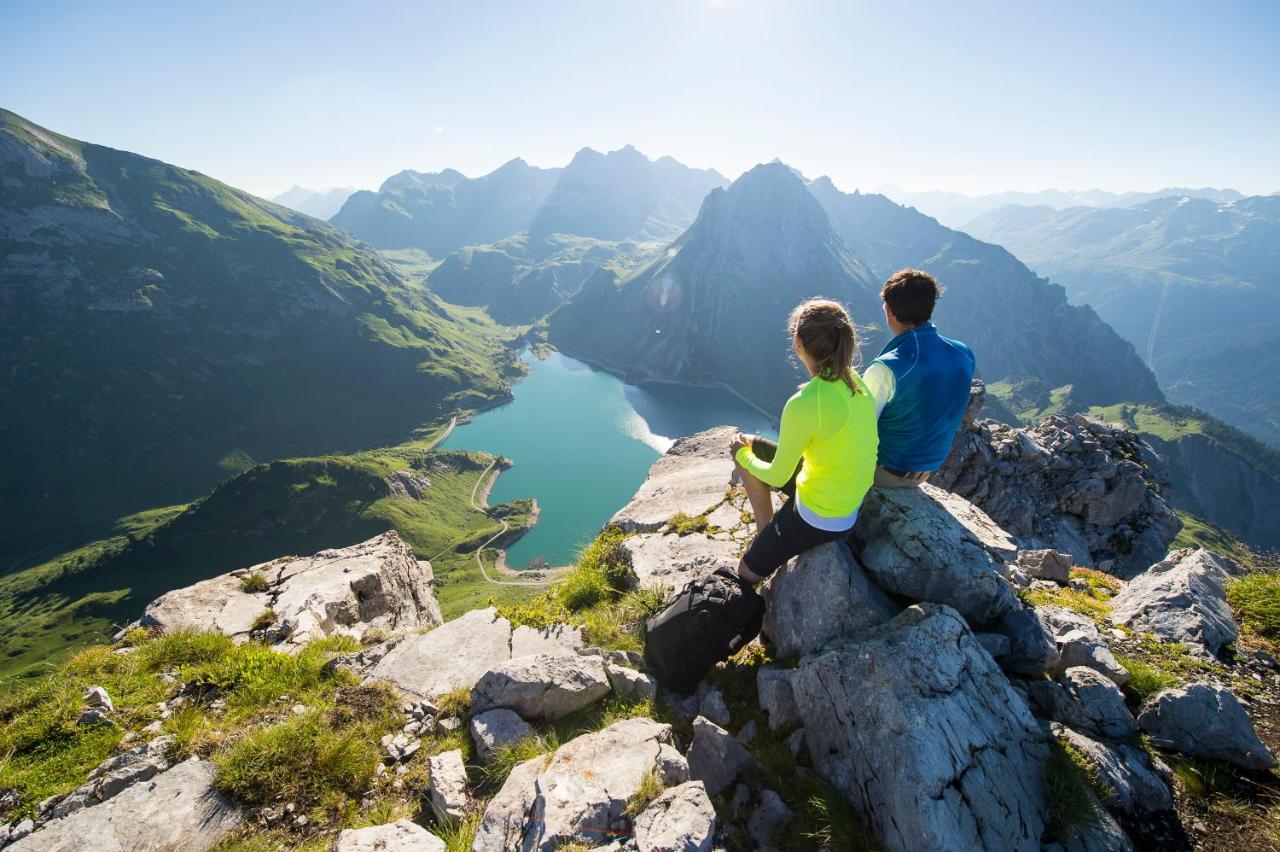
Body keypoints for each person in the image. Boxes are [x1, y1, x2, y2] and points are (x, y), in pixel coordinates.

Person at [730, 299, 878, 584]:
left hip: (819, 517)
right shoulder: (857, 382)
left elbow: (777, 475)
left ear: (798, 342)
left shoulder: (805, 403)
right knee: (750, 442)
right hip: (848, 501)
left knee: (746, 572)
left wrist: (743, 457)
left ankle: (768, 538)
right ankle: (767, 533)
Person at [861, 268, 975, 488]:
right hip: (926, 471)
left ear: (888, 311)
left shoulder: (888, 368)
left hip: (884, 470)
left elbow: (859, 428)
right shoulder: (964, 354)